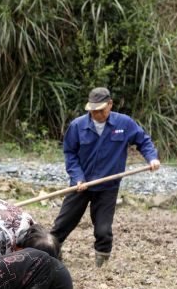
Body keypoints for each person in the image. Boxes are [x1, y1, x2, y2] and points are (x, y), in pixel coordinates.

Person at [50, 87, 160, 267]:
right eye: (93, 110)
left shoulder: (124, 124)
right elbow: (70, 153)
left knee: (103, 230)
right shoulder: (78, 126)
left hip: (107, 187)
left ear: (110, 104)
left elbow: (143, 141)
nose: (96, 114)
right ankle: (50, 254)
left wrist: (152, 158)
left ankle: (101, 264)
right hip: (81, 185)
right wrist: (78, 177)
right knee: (61, 225)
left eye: (100, 110)